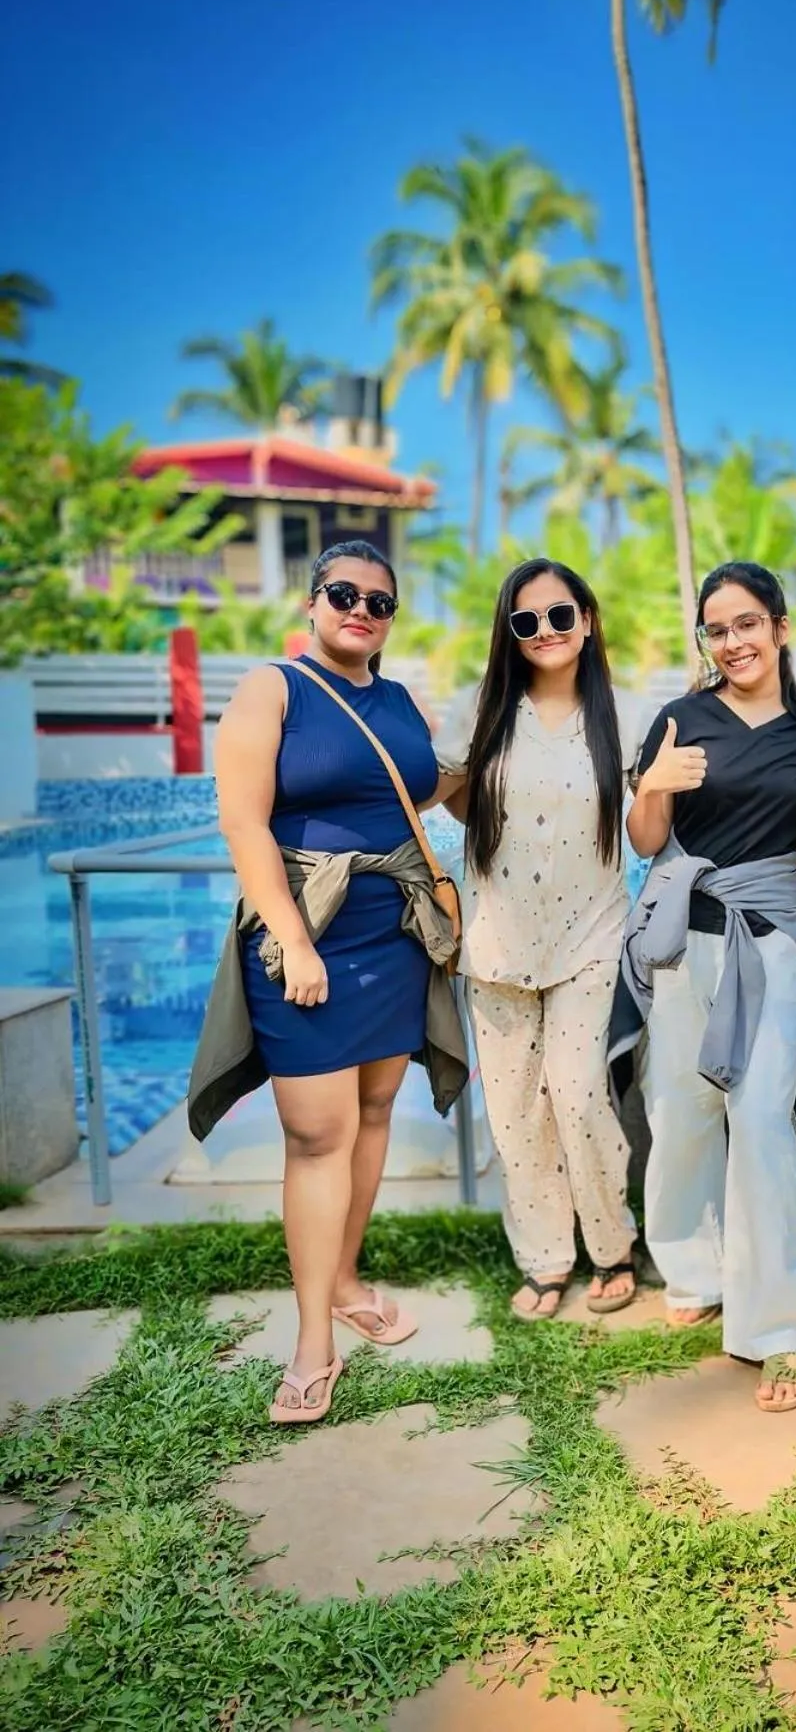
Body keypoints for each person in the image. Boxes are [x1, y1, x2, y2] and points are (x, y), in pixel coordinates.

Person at [193, 539, 467, 1426]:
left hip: (392, 932)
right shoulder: (272, 687)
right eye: (344, 593)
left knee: (378, 1109)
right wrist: (291, 939)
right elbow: (243, 823)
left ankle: (347, 1277)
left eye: (379, 601)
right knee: (318, 1133)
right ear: (314, 601)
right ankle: (314, 1343)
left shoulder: (395, 698)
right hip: (307, 932)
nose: (361, 608)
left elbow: (418, 787)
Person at [608, 561, 796, 1413]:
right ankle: (694, 1268)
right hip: (681, 948)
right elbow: (645, 840)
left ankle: (778, 1328)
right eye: (717, 627)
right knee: (678, 1119)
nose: (734, 641)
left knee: (764, 1126)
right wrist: (652, 789)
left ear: (781, 627)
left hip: (770, 947)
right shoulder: (678, 717)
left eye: (749, 622)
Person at [449, 559, 640, 1322]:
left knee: (579, 1090)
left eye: (561, 615)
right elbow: (462, 804)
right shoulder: (485, 711)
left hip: (590, 935)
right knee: (516, 1113)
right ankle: (543, 1258)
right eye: (526, 622)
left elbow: (650, 820)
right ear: (510, 633)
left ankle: (613, 1244)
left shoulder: (626, 713)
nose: (546, 632)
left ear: (587, 619)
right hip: (497, 938)